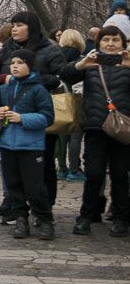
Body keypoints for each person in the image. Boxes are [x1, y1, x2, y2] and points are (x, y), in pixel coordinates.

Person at [0, 11, 66, 218]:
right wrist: (4, 78)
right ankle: (15, 205)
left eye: (19, 24)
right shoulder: (6, 50)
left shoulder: (49, 49)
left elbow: (60, 76)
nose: (14, 28)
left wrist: (31, 80)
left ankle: (44, 209)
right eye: (12, 24)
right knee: (11, 166)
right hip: (10, 119)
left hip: (39, 114)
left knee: (44, 164)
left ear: (31, 27)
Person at [61, 25, 130, 236]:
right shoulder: (91, 63)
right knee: (94, 174)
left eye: (115, 40)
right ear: (98, 42)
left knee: (120, 175)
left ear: (123, 43)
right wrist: (81, 64)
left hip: (123, 129)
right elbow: (64, 76)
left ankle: (120, 219)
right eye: (106, 39)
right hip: (95, 127)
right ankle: (87, 216)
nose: (110, 44)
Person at [0, 50, 57, 240]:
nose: (15, 66)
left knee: (34, 187)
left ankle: (45, 219)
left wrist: (21, 118)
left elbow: (47, 117)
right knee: (13, 186)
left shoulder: (38, 89)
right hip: (7, 145)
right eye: (12, 63)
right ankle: (20, 219)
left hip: (31, 146)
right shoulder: (4, 89)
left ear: (30, 66)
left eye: (20, 62)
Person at [55, 29, 87, 183]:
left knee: (62, 135)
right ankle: (74, 169)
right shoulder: (81, 59)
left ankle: (61, 168)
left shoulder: (56, 57)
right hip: (77, 98)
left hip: (59, 98)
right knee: (76, 136)